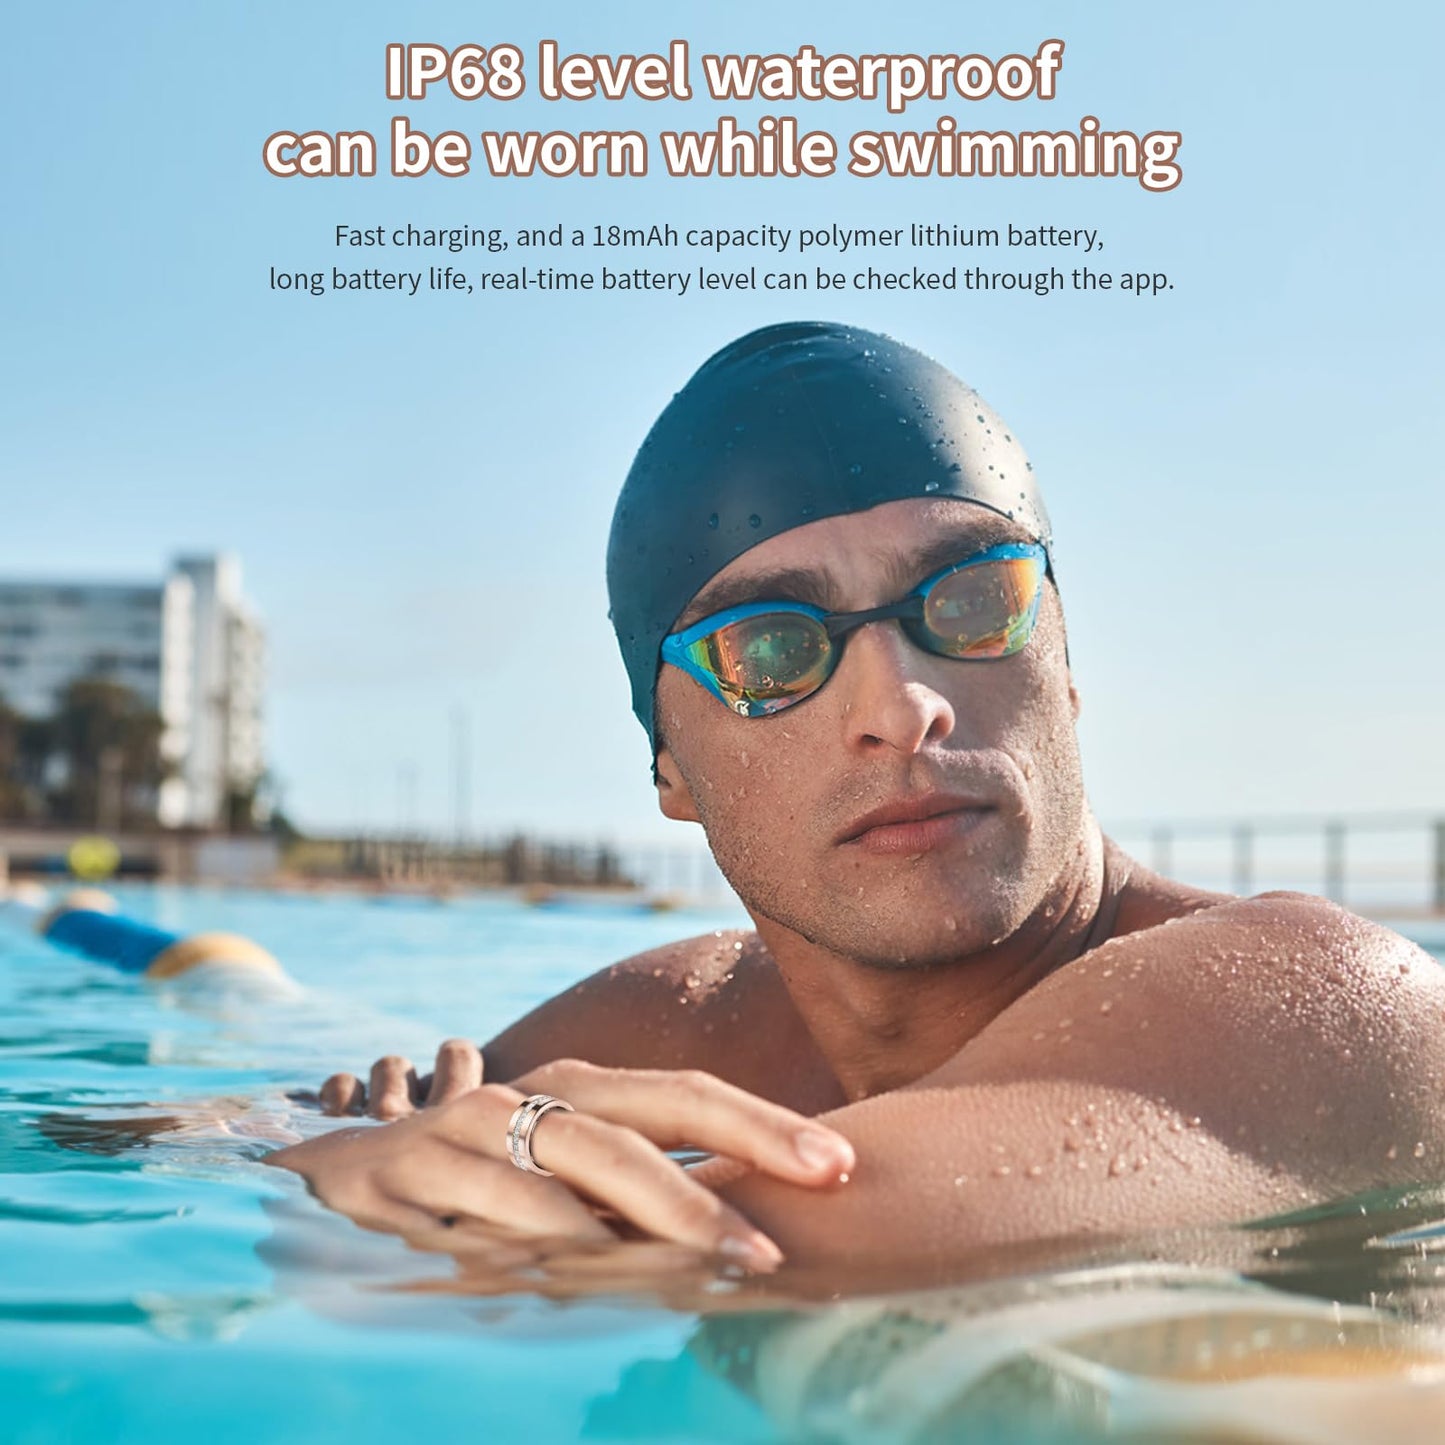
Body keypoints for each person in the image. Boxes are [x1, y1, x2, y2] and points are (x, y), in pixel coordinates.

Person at [270, 322, 1444, 1278]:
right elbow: (177, 1144)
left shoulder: (1315, 1001)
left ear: (1066, 664)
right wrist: (350, 1133)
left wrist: (348, 1189)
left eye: (972, 598)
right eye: (771, 650)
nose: (903, 705)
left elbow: (736, 1258)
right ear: (669, 771)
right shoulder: (689, 1023)